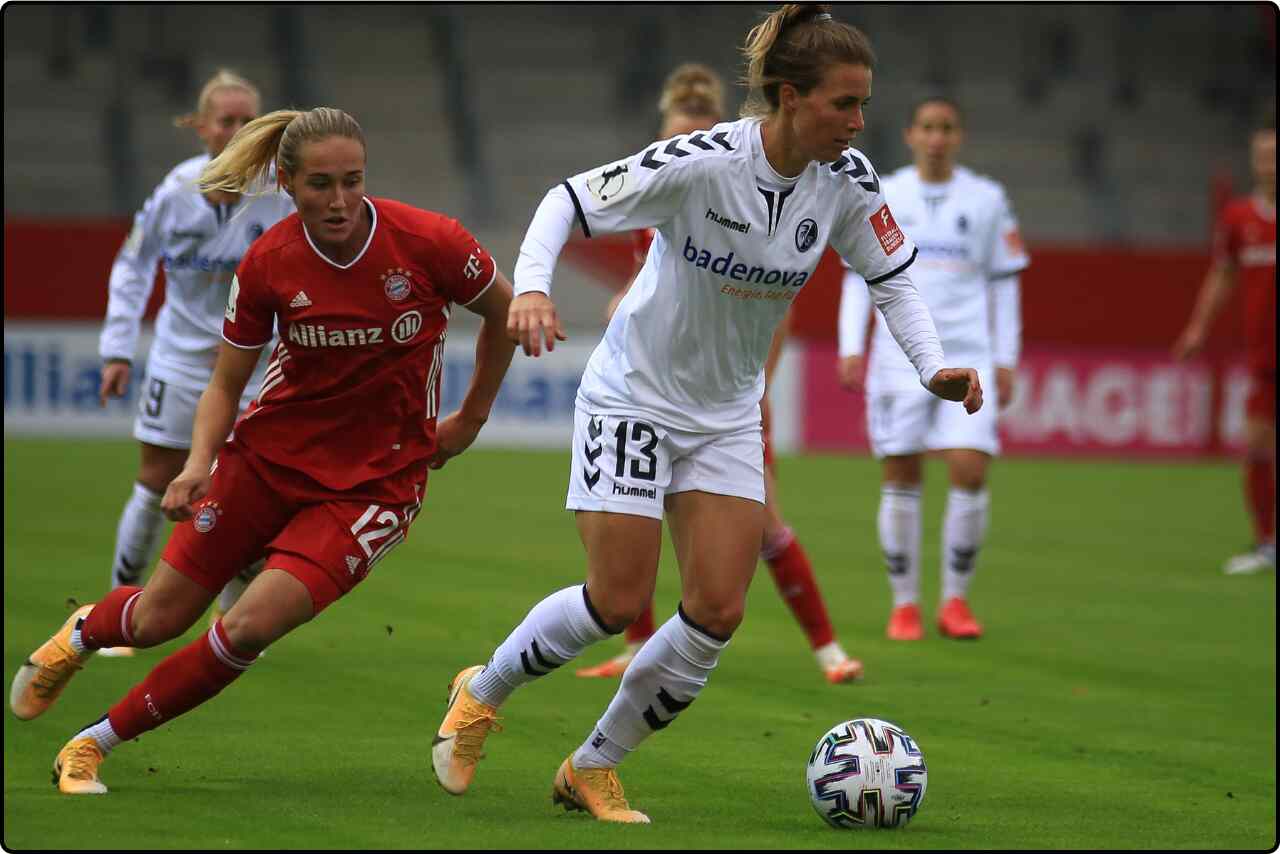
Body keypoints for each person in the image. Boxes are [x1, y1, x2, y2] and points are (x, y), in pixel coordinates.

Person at [432, 4, 981, 824]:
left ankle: (592, 766)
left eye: (864, 104)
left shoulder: (849, 182)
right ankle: (483, 691)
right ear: (791, 97)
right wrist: (536, 287)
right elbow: (567, 201)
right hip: (633, 396)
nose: (860, 123)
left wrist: (932, 365)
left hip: (725, 412)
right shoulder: (702, 160)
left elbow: (893, 279)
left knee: (718, 609)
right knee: (616, 600)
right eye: (844, 104)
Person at [10, 106, 517, 796]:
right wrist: (196, 466)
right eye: (319, 185)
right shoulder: (270, 262)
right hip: (267, 462)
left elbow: (504, 315)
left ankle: (90, 745)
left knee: (246, 628)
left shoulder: (430, 242)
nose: (338, 202)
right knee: (158, 618)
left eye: (352, 182)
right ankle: (81, 633)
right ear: (286, 181)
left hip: (374, 487)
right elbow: (226, 382)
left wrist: (471, 419)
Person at [578, 62, 864, 684]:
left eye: (697, 134)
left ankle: (828, 648)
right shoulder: (654, 205)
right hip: (658, 391)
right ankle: (636, 646)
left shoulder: (742, 196)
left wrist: (757, 388)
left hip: (729, 399)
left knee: (764, 528)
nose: (680, 150)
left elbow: (770, 311)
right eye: (671, 138)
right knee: (635, 514)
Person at [95, 69, 295, 657]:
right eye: (225, 120)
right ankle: (118, 608)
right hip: (179, 361)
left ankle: (232, 622)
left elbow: (300, 278)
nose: (235, 131)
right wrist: (115, 346)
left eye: (246, 121)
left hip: (255, 368)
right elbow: (133, 265)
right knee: (157, 480)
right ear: (202, 126)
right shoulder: (175, 191)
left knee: (253, 489)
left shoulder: (280, 195)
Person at [836, 96, 1028, 642]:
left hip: (969, 350)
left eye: (946, 128)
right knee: (901, 474)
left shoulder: (988, 199)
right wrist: (852, 345)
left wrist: (1007, 358)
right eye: (928, 128)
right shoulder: (885, 193)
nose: (937, 137)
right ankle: (904, 606)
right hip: (898, 356)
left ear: (958, 136)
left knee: (970, 469)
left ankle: (955, 600)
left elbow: (1004, 282)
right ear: (910, 134)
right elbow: (858, 275)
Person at [1173, 114, 1276, 575]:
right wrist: (1198, 328)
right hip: (1264, 355)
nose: (1268, 164)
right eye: (1262, 156)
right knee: (1256, 445)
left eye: (1274, 156)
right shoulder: (1238, 218)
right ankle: (1266, 542)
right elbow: (1222, 275)